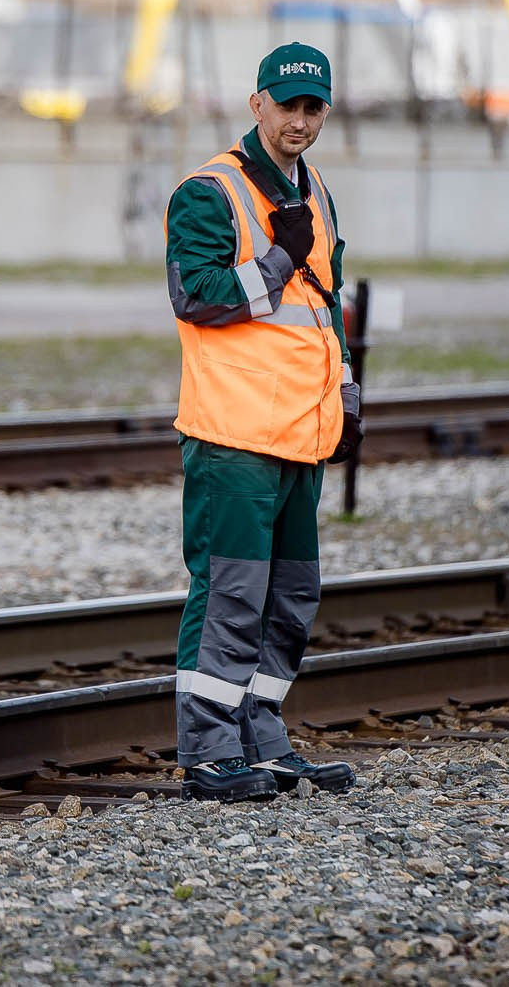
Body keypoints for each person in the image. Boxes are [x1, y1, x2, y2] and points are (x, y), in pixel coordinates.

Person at [164, 41, 364, 803]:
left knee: (291, 597)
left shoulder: (317, 192)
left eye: (315, 107)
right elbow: (198, 296)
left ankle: (263, 738)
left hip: (301, 436)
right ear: (257, 105)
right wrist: (276, 259)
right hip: (234, 437)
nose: (302, 120)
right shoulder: (207, 192)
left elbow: (327, 306)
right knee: (229, 594)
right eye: (289, 105)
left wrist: (345, 390)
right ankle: (209, 751)